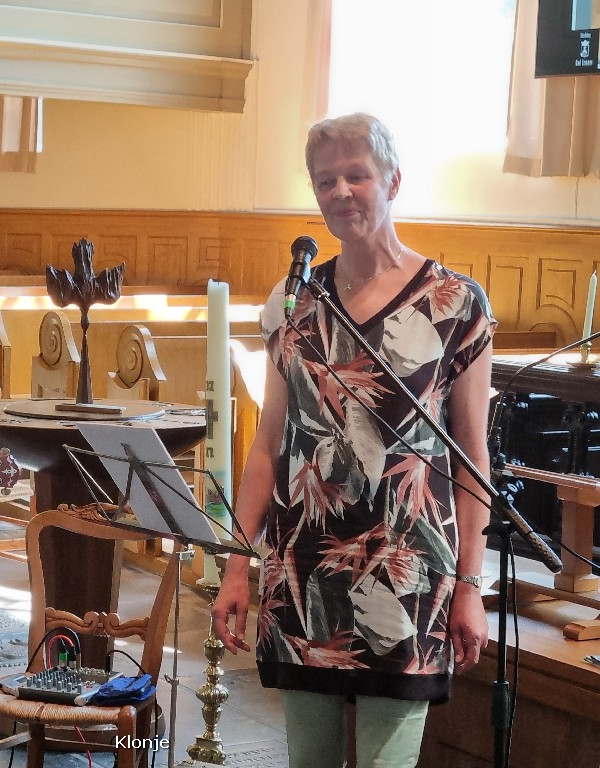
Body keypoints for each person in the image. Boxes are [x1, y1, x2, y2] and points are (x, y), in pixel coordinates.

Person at [211, 113, 495, 768]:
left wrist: (471, 585)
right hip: (304, 571)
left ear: (392, 180)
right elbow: (268, 445)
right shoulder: (293, 300)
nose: (340, 191)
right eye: (325, 180)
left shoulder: (456, 304)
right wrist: (234, 562)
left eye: (356, 175)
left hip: (409, 575)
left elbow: (473, 460)